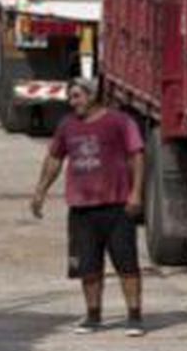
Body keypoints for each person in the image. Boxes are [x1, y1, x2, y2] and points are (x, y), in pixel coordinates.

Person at [31, 80, 147, 337]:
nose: (73, 103)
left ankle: (135, 316)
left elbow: (136, 155)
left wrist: (136, 192)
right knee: (88, 267)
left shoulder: (119, 122)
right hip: (82, 208)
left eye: (77, 96)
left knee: (127, 264)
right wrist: (40, 190)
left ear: (93, 96)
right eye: (71, 98)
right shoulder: (67, 125)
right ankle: (93, 316)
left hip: (116, 206)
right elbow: (54, 158)